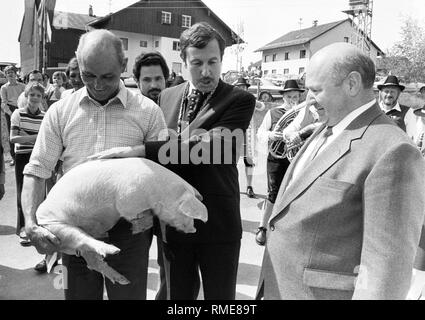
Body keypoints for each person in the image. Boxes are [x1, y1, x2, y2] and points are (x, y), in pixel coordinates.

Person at [89, 22, 256, 300]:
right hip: (172, 223)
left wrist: (141, 150)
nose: (206, 71)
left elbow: (210, 148)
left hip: (217, 222)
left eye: (213, 62)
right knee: (176, 297)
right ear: (184, 61)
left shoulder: (239, 100)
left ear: (222, 60)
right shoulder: (166, 96)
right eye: (197, 63)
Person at [257, 42, 425, 300]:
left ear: (352, 84)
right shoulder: (325, 128)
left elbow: (385, 272)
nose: (308, 99)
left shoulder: (393, 151)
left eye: (316, 90)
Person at [21, 29, 167, 300]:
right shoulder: (60, 111)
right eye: (89, 75)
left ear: (123, 66)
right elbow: (38, 169)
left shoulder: (148, 113)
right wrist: (31, 224)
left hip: (130, 235)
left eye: (108, 77)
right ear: (77, 61)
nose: (98, 85)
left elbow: (162, 174)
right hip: (74, 233)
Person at [132, 50, 169, 300]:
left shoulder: (180, 108)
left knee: (169, 265)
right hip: (138, 203)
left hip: (168, 201)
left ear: (167, 79)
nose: (153, 85)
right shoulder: (129, 111)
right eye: (147, 80)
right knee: (133, 261)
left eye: (158, 78)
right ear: (137, 82)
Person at [255, 79, 304, 245]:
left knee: (293, 193)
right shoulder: (274, 113)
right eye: (289, 96)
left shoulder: (304, 113)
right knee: (273, 193)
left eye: (296, 96)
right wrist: (271, 135)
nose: (293, 100)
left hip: (296, 158)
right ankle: (262, 227)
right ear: (283, 97)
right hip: (276, 158)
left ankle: (286, 229)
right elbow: (260, 133)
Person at [9, 82, 45, 247]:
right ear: (26, 96)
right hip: (23, 156)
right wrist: (34, 137)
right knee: (22, 192)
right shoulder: (18, 113)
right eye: (32, 95)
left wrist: (25, 135)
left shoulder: (45, 116)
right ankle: (23, 227)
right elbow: (13, 138)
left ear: (41, 98)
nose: (35, 98)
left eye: (38, 95)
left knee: (38, 193)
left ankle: (36, 226)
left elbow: (45, 140)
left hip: (37, 156)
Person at [233, 76, 265, 198]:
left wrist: (252, 100)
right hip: (235, 133)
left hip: (249, 133)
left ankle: (249, 186)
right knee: (232, 162)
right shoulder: (233, 100)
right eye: (239, 87)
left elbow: (262, 107)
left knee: (249, 161)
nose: (242, 89)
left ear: (247, 89)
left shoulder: (251, 99)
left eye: (244, 87)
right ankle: (234, 186)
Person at [1, 66, 26, 166]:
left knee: (23, 131)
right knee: (12, 133)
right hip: (10, 110)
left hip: (21, 108)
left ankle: (24, 155)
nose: (10, 74)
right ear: (6, 75)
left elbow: (25, 98)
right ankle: (14, 157)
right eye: (8, 73)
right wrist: (11, 114)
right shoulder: (4, 88)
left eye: (12, 72)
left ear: (16, 74)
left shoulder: (22, 86)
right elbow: (3, 103)